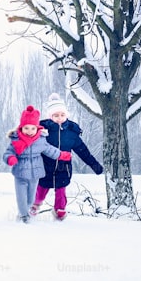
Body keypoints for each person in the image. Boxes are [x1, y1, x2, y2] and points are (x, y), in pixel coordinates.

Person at [32, 93, 104, 221]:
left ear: (66, 115)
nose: (59, 118)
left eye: (62, 115)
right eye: (56, 115)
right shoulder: (43, 131)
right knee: (41, 189)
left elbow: (83, 151)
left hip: (63, 168)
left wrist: (95, 165)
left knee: (61, 191)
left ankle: (60, 210)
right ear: (50, 116)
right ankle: (34, 205)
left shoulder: (72, 133)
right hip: (45, 167)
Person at [4, 104, 72, 223]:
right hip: (20, 173)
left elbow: (50, 150)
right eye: (26, 128)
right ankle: (23, 215)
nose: (29, 131)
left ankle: (27, 209)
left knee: (31, 199)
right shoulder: (16, 140)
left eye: (32, 128)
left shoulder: (40, 140)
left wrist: (62, 155)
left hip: (35, 174)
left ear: (37, 128)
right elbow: (8, 153)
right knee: (21, 198)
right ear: (21, 128)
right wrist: (10, 158)